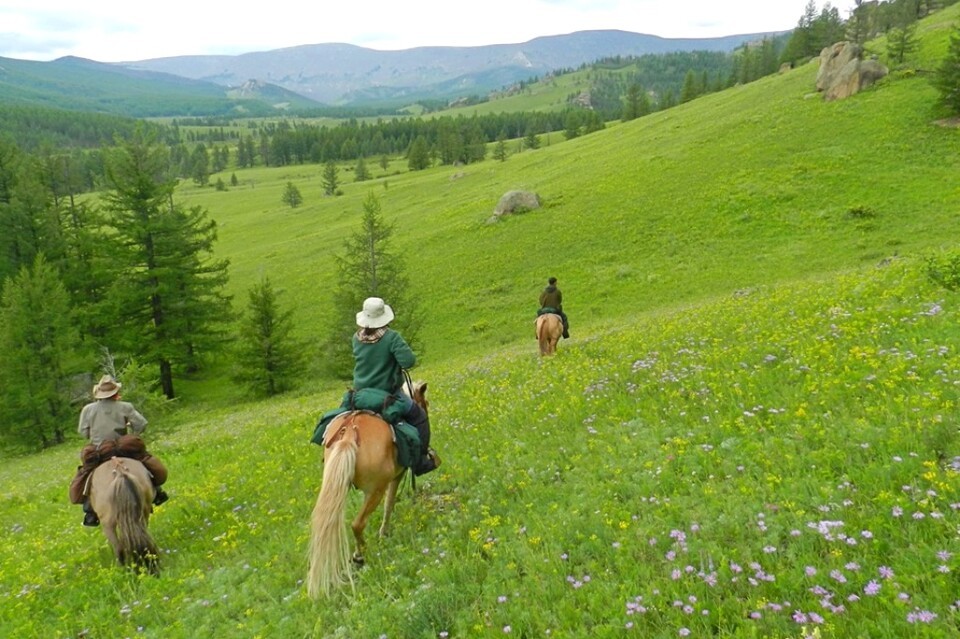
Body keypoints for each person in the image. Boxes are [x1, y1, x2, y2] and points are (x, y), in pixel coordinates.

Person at [352, 297, 441, 476]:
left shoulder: (356, 338)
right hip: (387, 395)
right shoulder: (391, 338)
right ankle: (421, 462)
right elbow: (409, 361)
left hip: (359, 395)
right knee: (419, 416)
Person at [69, 375, 169, 527]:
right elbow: (141, 424)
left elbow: (83, 432)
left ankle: (89, 509)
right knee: (145, 463)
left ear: (99, 394)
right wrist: (131, 429)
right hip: (123, 448)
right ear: (115, 392)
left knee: (87, 473)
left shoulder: (88, 409)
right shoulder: (125, 406)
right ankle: (156, 491)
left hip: (100, 450)